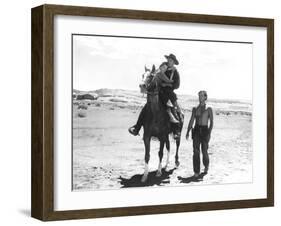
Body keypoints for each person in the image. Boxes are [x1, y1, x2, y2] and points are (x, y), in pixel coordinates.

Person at [128, 54, 181, 136]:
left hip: (169, 93)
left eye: (171, 60)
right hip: (158, 92)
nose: (169, 62)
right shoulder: (163, 66)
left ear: (174, 62)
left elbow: (177, 85)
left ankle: (176, 130)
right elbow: (156, 74)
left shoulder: (175, 72)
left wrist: (167, 85)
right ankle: (137, 128)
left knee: (172, 108)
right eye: (168, 60)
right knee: (146, 107)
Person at [186, 90, 214, 177]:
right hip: (197, 130)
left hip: (205, 130)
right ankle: (196, 171)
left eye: (202, 96)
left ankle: (206, 165)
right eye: (199, 96)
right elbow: (191, 120)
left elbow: (212, 122)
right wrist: (187, 131)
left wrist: (209, 132)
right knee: (196, 151)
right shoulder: (195, 109)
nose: (200, 97)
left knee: (204, 151)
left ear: (205, 97)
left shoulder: (209, 109)